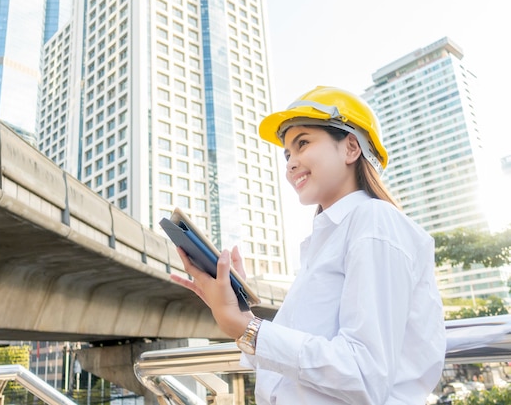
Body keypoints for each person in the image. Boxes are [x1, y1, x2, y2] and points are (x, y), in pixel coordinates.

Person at [171, 86, 446, 404]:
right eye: (287, 153)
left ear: (351, 148)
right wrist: (242, 312)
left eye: (302, 144)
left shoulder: (374, 221)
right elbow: (303, 367)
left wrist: (248, 328)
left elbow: (363, 373)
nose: (290, 164)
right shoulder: (327, 240)